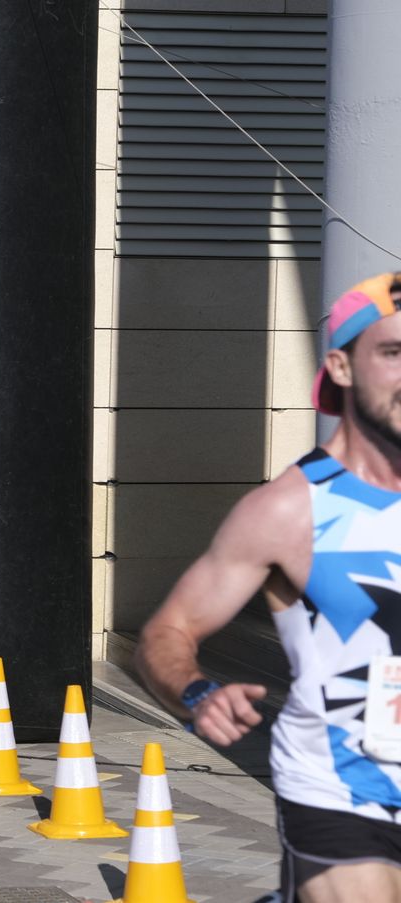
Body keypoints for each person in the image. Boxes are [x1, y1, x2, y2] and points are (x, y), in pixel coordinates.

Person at [135, 273, 401, 903]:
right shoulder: (290, 510)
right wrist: (197, 690)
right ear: (340, 365)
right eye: (393, 354)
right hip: (342, 790)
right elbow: (166, 633)